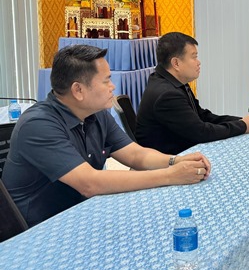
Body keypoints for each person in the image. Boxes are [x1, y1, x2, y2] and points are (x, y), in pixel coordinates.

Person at [1, 45, 211, 227]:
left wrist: (175, 161)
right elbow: (90, 183)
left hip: (81, 213)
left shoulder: (96, 113)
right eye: (106, 81)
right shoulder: (38, 124)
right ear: (78, 90)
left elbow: (135, 155)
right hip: (39, 230)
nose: (113, 87)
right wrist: (170, 176)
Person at [136, 32, 249, 155]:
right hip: (169, 161)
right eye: (194, 57)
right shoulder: (167, 95)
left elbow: (202, 116)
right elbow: (202, 133)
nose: (198, 62)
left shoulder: (173, 82)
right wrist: (243, 126)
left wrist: (241, 120)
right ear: (176, 63)